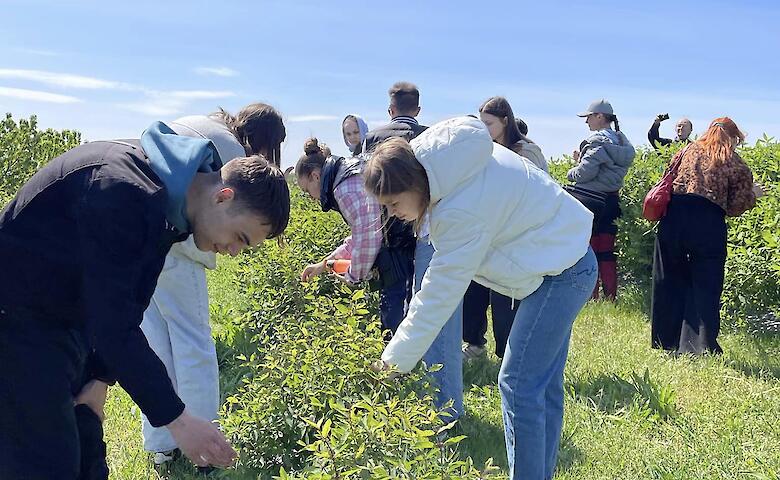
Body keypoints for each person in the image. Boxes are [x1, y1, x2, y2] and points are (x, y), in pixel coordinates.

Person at [0, 122, 290, 479]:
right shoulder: (123, 190)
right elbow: (114, 328)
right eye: (240, 237)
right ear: (223, 196)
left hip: (64, 322)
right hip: (17, 322)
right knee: (48, 464)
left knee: (87, 456)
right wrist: (177, 420)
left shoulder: (169, 206)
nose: (232, 251)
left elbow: (129, 303)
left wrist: (99, 382)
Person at [364, 116, 596, 480]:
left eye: (393, 203)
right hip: (567, 257)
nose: (392, 214)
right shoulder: (446, 165)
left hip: (564, 271)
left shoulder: (458, 208)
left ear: (413, 182)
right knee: (541, 384)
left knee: (519, 382)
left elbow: (436, 298)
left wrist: (390, 366)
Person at [139, 104, 287, 468]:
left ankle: (161, 445)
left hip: (143, 233)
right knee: (193, 342)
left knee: (156, 341)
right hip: (176, 245)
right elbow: (208, 225)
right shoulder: (234, 156)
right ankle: (206, 451)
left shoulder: (206, 125)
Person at [652, 117, 763, 355]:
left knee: (669, 277)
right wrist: (754, 194)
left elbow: (667, 181)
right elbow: (735, 207)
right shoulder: (734, 161)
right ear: (732, 138)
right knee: (706, 283)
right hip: (708, 221)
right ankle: (699, 347)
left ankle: (666, 342)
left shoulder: (686, 151)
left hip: (674, 216)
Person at [461, 97, 549, 360]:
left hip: (516, 234)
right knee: (474, 288)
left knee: (505, 298)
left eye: (489, 123)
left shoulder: (526, 150)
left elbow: (533, 193)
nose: (484, 128)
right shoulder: (489, 148)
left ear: (505, 121)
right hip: (488, 230)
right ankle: (475, 344)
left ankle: (508, 356)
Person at [567, 99, 635, 301]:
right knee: (607, 250)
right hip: (612, 201)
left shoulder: (597, 142)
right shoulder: (622, 143)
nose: (586, 121)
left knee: (588, 249)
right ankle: (610, 296)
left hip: (591, 201)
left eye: (589, 117)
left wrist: (574, 168)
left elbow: (584, 174)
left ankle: (590, 295)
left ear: (600, 117)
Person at [296, 137, 382, 290]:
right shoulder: (347, 174)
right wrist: (323, 265)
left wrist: (353, 277)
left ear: (315, 176)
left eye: (307, 190)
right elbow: (359, 236)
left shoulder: (344, 190)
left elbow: (368, 236)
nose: (310, 197)